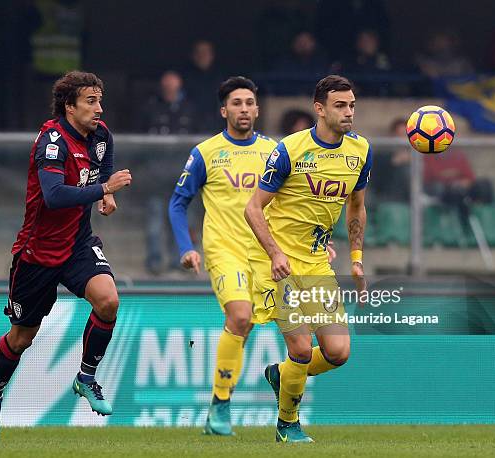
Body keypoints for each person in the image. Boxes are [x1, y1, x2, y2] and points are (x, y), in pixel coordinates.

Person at [0, 71, 132, 442]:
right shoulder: (52, 141)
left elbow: (103, 163)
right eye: (91, 102)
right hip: (38, 252)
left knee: (109, 301)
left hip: (77, 243)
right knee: (21, 338)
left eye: (100, 99)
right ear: (69, 106)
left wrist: (106, 192)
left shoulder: (101, 134)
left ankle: (86, 377)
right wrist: (103, 189)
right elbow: (54, 195)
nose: (99, 108)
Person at [245, 75, 371, 443]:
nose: (348, 113)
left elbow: (357, 207)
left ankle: (282, 377)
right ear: (319, 108)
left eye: (351, 105)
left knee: (338, 352)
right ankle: (288, 423)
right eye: (340, 106)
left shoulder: (361, 150)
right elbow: (253, 209)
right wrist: (274, 253)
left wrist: (357, 258)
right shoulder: (290, 150)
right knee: (300, 348)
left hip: (316, 263)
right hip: (276, 261)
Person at [168, 77, 278, 436]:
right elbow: (177, 202)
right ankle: (221, 404)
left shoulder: (275, 152)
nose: (243, 108)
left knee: (257, 331)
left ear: (257, 109)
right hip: (225, 248)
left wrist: (316, 241)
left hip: (265, 253)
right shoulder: (206, 152)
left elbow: (294, 202)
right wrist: (186, 246)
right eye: (236, 103)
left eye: (249, 102)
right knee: (241, 316)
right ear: (223, 110)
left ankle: (276, 399)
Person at [138, 70, 196, 134]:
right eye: (167, 81)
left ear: (179, 83)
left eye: (172, 82)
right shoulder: (151, 107)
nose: (169, 85)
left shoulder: (189, 108)